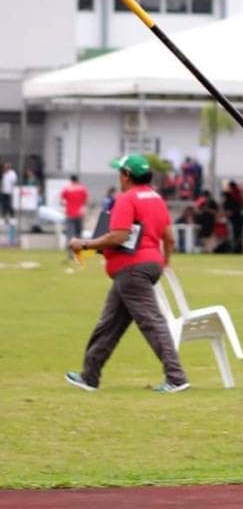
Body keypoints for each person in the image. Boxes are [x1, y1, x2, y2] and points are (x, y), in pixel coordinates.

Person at [64, 154, 189, 393]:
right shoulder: (156, 198)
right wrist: (165, 263)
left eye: (120, 172)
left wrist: (85, 244)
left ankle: (176, 377)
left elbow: (118, 236)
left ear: (127, 176)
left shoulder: (127, 199)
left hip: (132, 269)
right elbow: (169, 238)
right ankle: (89, 376)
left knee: (152, 322)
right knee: (110, 323)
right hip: (147, 265)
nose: (119, 177)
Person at [60, 175, 89, 260]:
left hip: (70, 214)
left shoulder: (66, 189)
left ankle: (70, 255)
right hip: (79, 214)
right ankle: (78, 254)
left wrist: (67, 204)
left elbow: (61, 202)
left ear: (71, 180)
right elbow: (86, 201)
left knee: (70, 235)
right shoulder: (82, 189)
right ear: (78, 180)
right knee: (78, 235)